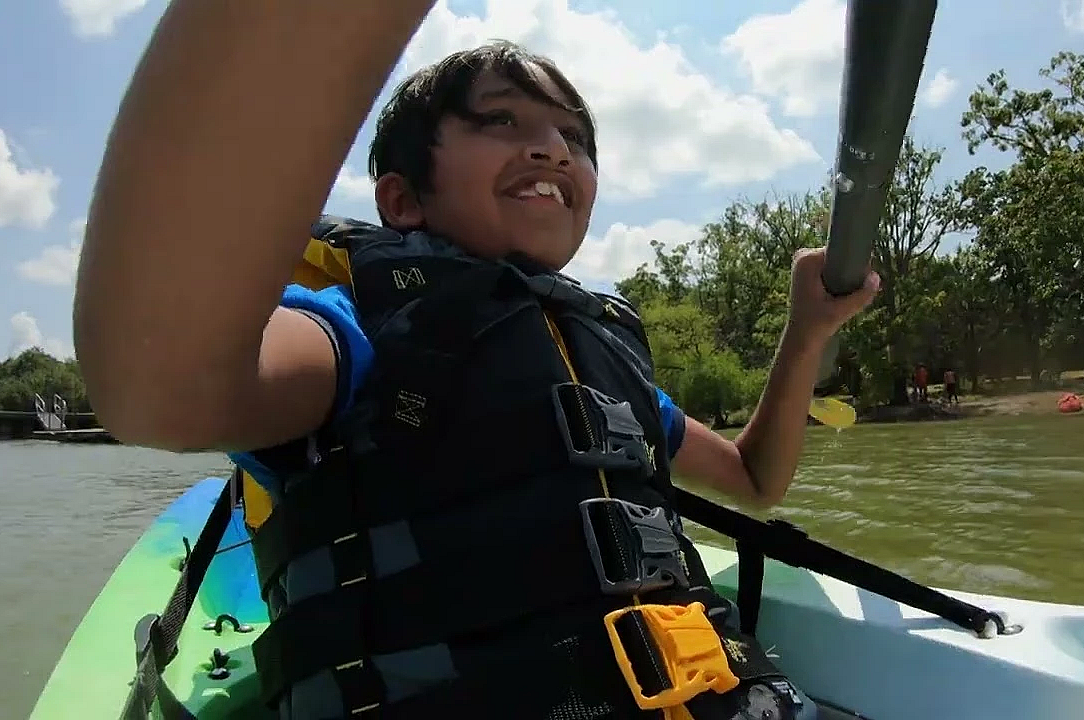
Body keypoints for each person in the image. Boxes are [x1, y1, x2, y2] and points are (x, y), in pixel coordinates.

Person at [73, 3, 880, 718]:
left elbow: (755, 479)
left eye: (575, 138)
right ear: (402, 199)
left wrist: (806, 331)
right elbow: (162, 390)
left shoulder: (603, 350)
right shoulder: (354, 328)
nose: (553, 149)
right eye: (501, 121)